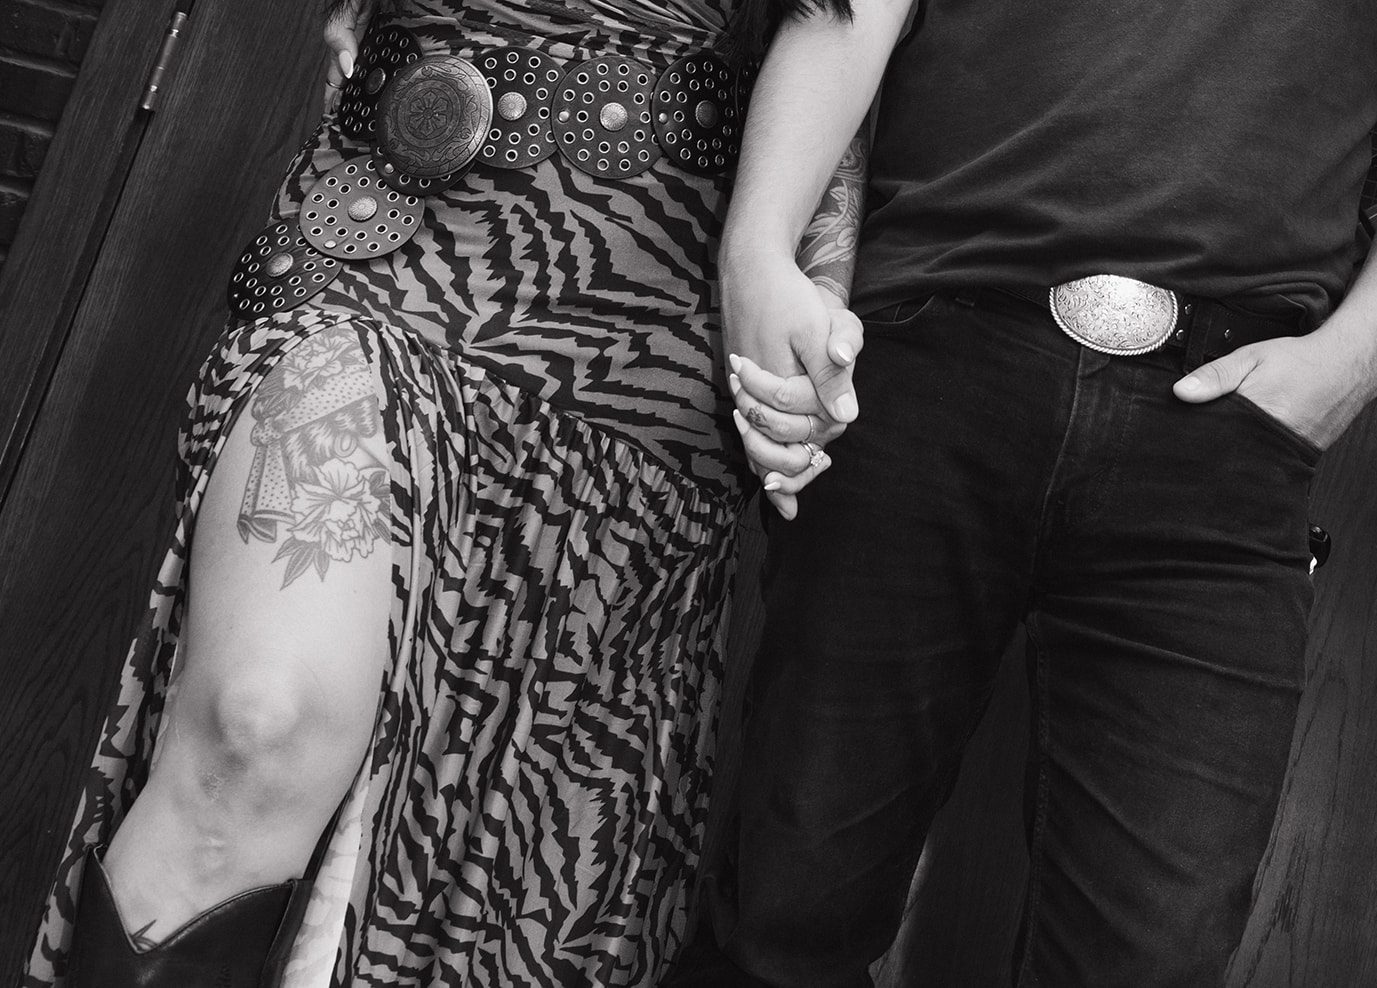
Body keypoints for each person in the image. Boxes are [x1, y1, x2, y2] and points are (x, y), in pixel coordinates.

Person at [677, 0, 1377, 985]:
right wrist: (754, 251)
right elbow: (849, 12)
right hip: (923, 369)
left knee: (1150, 954)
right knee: (789, 911)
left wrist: (1350, 364)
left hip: (1221, 436)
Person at [25, 0, 861, 985]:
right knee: (258, 720)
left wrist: (811, 286)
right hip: (386, 254)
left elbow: (846, 53)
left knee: (493, 891)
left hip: (642, 346)